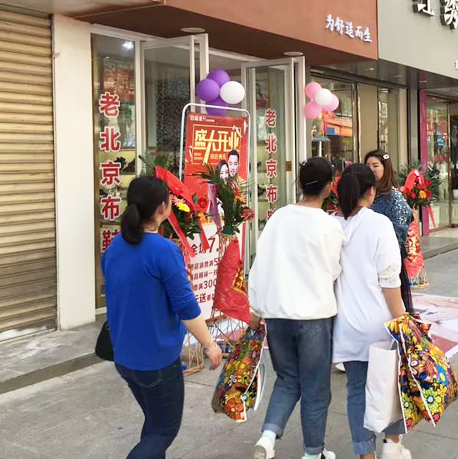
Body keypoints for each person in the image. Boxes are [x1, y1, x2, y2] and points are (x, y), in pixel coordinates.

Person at [102, 176, 223, 459]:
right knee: (163, 430)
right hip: (156, 361)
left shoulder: (114, 248)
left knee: (154, 425)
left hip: (124, 357)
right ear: (163, 208)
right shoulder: (164, 251)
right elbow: (186, 307)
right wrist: (210, 344)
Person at [248, 157, 344, 459]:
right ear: (329, 187)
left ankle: (268, 436)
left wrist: (256, 309)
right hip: (314, 315)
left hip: (277, 314)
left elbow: (260, 264)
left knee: (288, 380)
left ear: (299, 183)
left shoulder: (278, 217)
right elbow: (334, 270)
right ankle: (313, 453)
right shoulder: (330, 225)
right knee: (316, 388)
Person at [334, 164, 411, 459]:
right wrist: (403, 321)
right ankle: (392, 446)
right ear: (371, 191)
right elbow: (390, 280)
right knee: (390, 386)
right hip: (380, 323)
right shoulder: (379, 224)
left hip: (345, 324)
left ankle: (365, 454)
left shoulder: (332, 224)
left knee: (356, 391)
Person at [364, 149, 414, 313]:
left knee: (392, 305)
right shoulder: (363, 194)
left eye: (375, 165)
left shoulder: (394, 197)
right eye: (367, 165)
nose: (371, 169)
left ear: (385, 168)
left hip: (388, 258)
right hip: (367, 258)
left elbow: (399, 231)